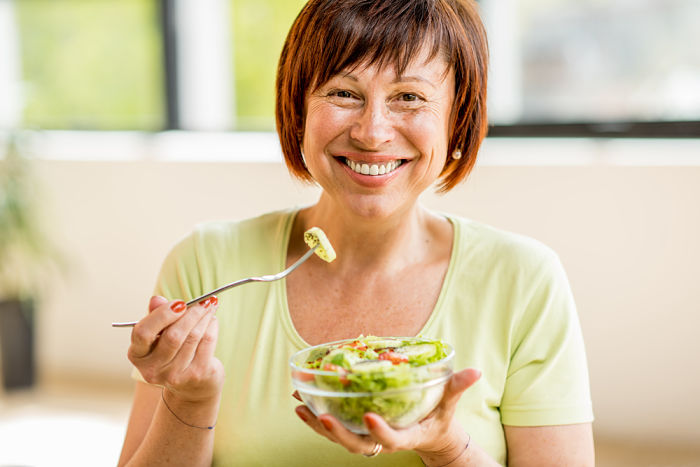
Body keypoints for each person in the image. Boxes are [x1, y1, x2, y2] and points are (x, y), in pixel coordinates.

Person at [118, 0, 594, 465]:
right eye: (344, 93)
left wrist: (447, 447)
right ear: (297, 109)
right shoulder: (207, 262)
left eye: (409, 97)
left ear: (457, 120)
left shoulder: (524, 279)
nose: (372, 132)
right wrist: (189, 400)